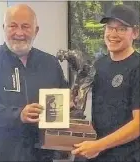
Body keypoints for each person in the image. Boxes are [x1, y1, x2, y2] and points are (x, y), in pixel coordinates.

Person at [0, 4, 68, 162]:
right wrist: (18, 114)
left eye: (25, 26)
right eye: (13, 26)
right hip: (2, 154)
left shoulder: (50, 63)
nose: (19, 33)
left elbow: (62, 95)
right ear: (4, 28)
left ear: (36, 30)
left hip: (43, 155)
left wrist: (68, 103)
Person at [72, 4, 140, 162]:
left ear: (135, 33)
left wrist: (99, 146)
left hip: (126, 157)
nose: (113, 34)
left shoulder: (137, 67)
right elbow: (83, 102)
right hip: (96, 154)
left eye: (121, 29)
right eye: (109, 27)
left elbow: (138, 124)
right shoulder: (98, 65)